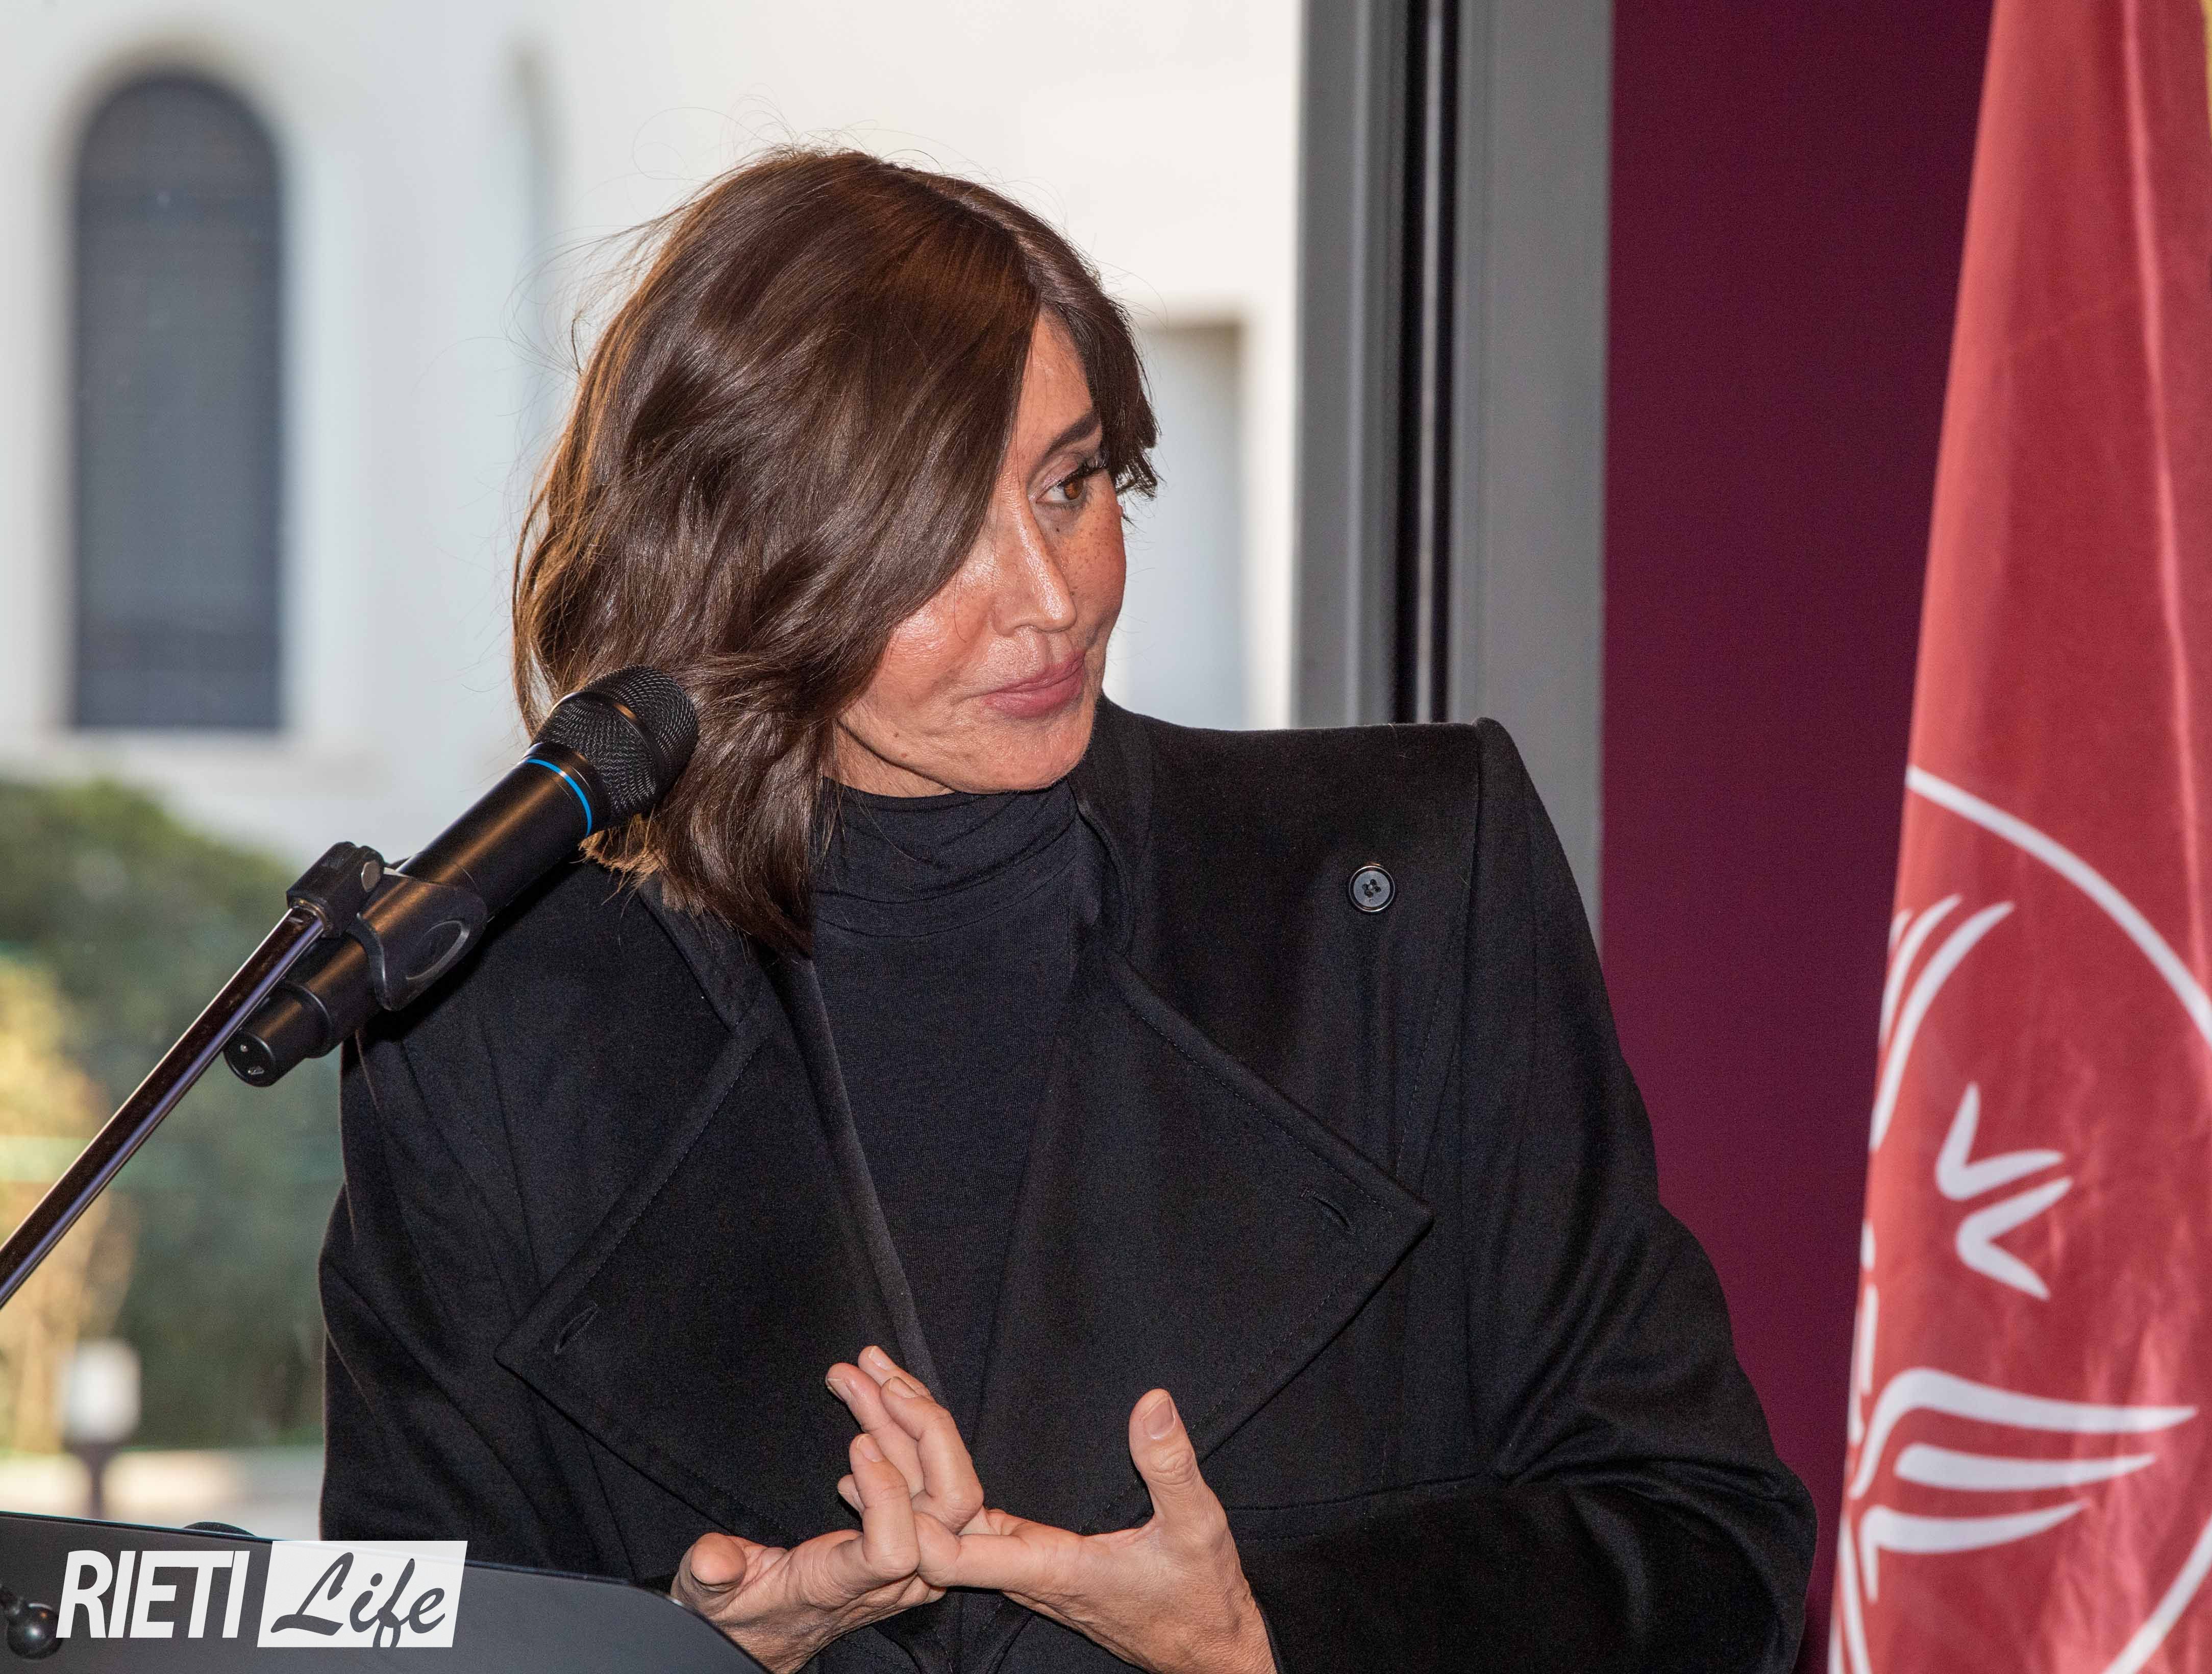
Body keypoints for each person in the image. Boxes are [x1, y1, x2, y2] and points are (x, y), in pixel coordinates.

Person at [318, 147, 1815, 1674]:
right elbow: (401, 1638)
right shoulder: (490, 1035)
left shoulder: (1404, 887)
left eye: (1070, 484)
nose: (1050, 599)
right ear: (738, 563)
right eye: (934, 538)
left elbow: (1711, 1551)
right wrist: (679, 1658)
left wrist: (1266, 1638)